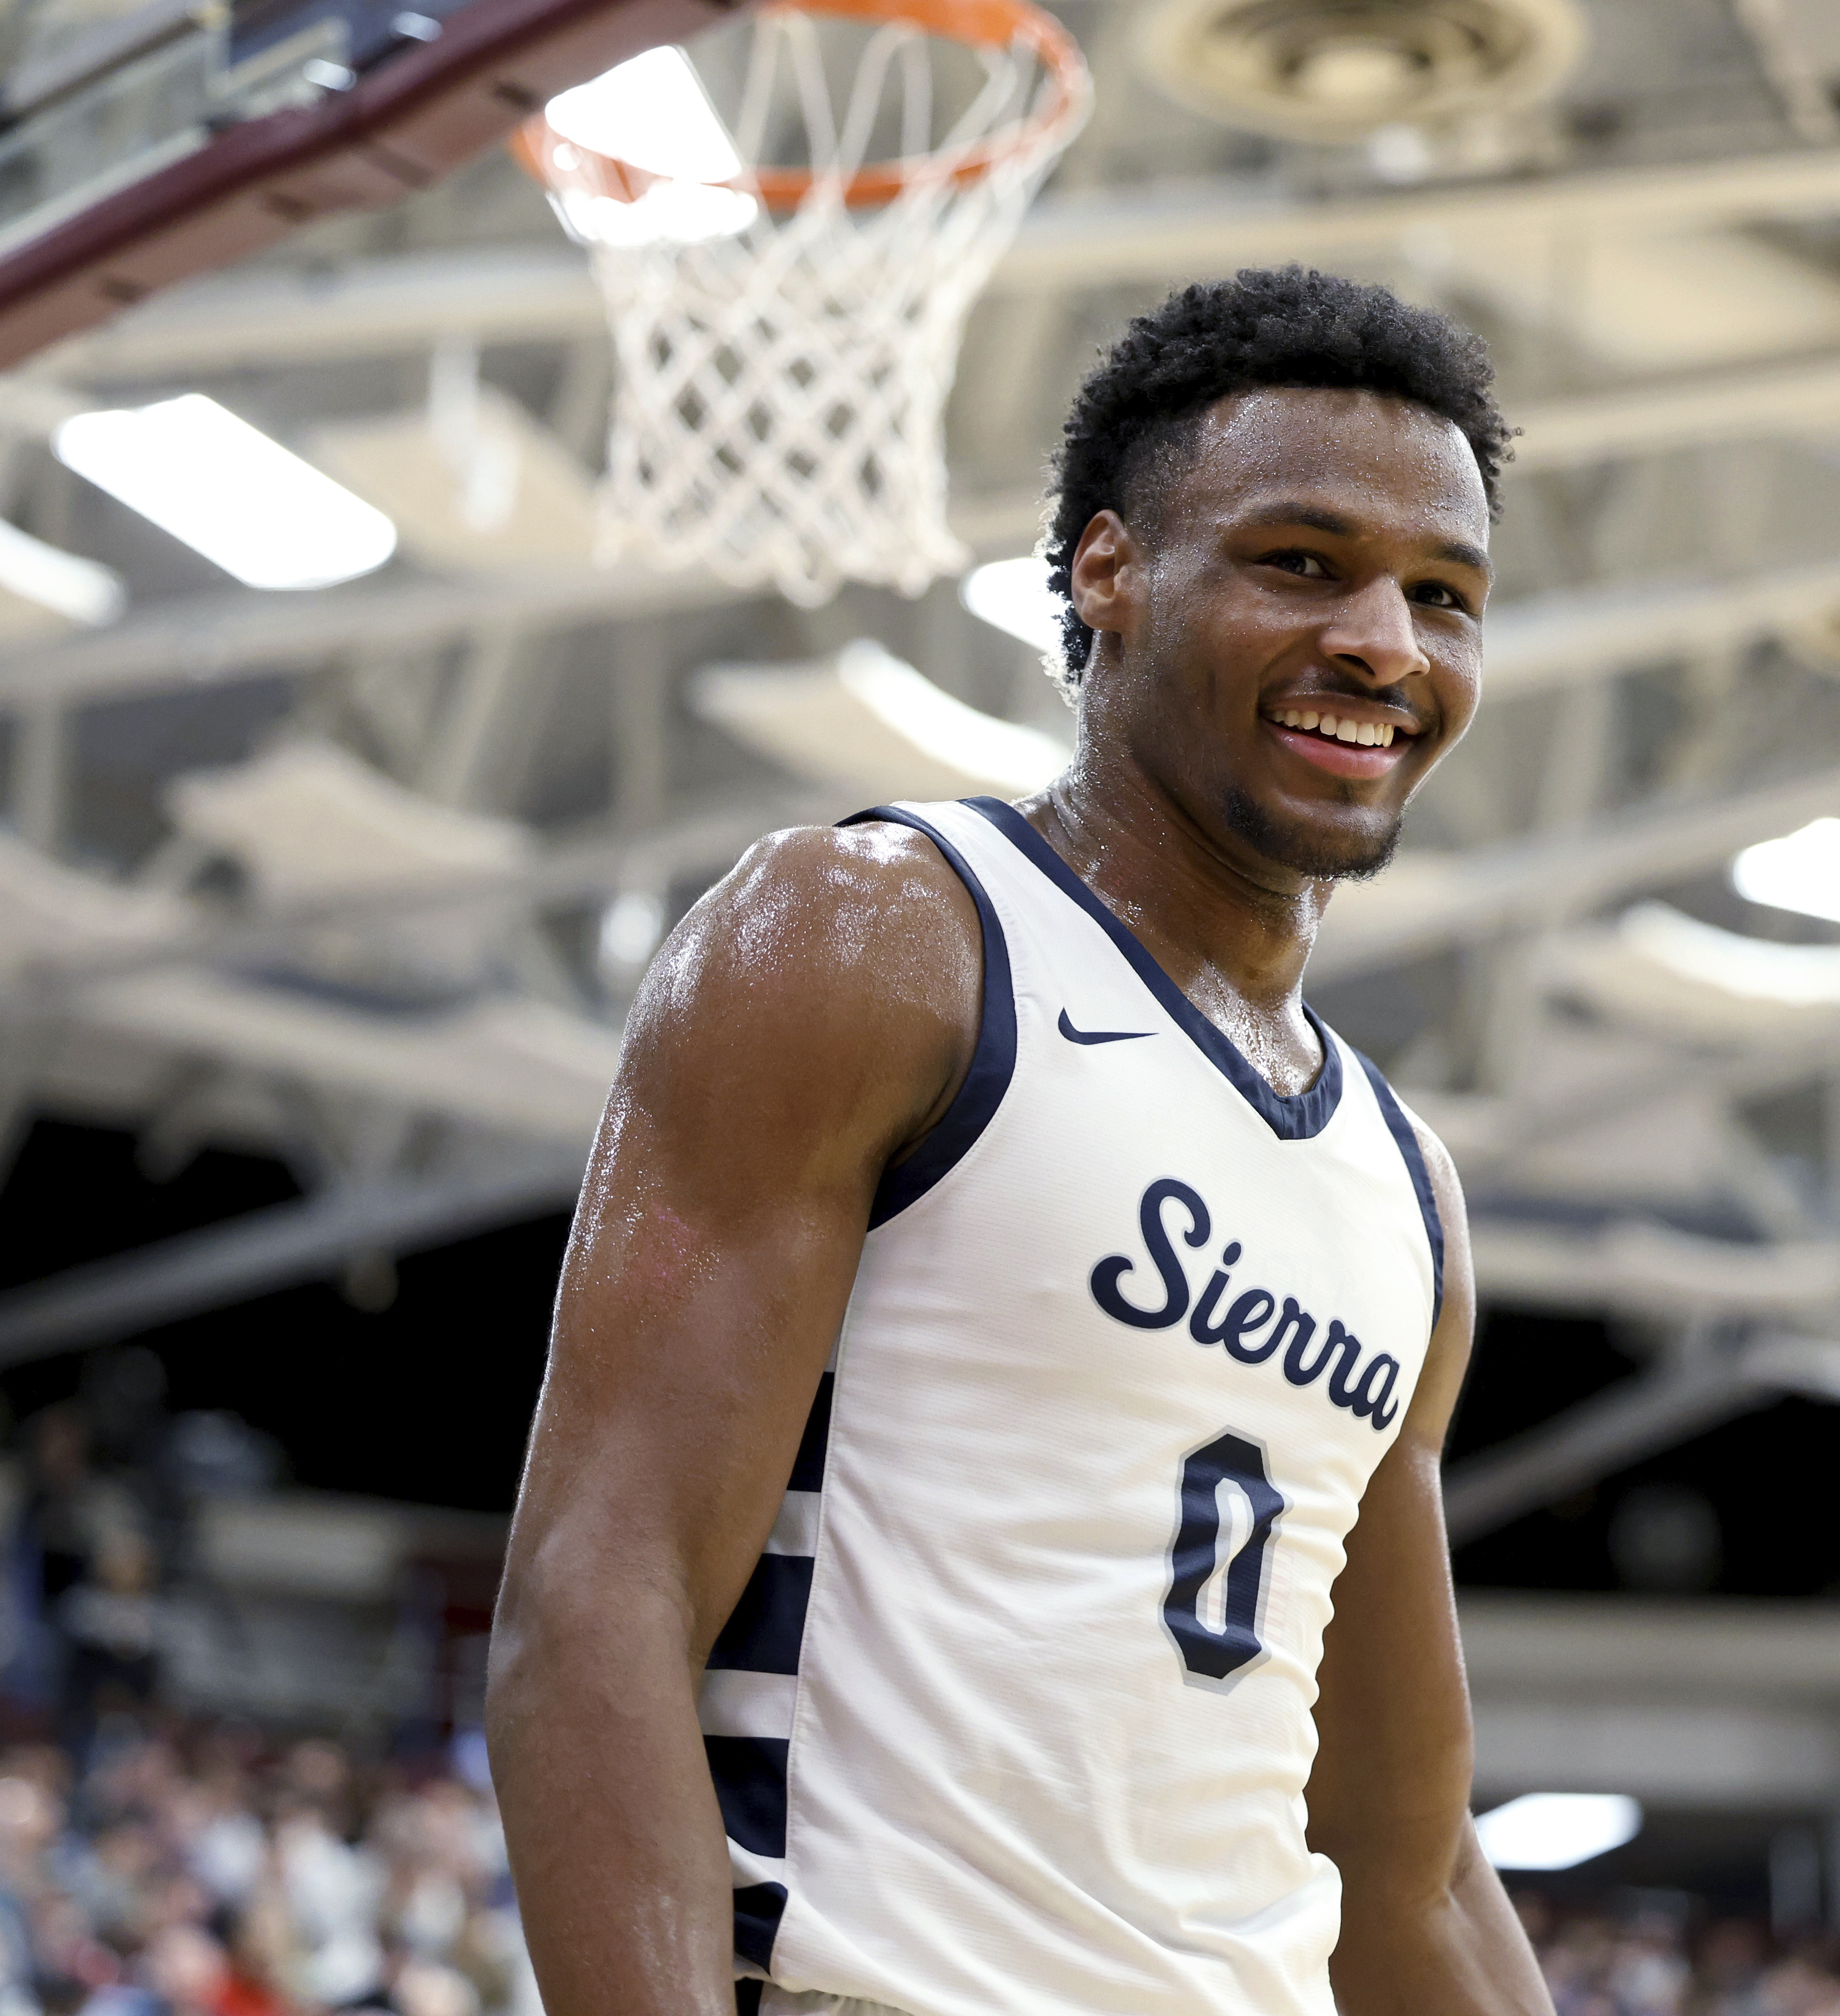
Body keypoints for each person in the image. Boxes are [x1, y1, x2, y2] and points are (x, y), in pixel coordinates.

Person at [488, 267, 1545, 2015]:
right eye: (1303, 563)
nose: (1385, 641)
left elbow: (1403, 1867)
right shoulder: (878, 938)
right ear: (1108, 570)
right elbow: (596, 1599)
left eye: (1446, 597)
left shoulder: (1401, 1189)